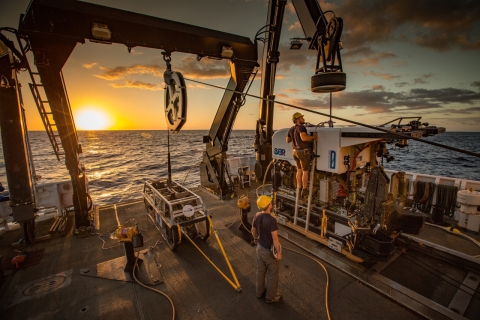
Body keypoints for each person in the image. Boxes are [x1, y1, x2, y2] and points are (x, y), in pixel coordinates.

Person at [251, 195, 282, 304]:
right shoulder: (272, 220)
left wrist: (255, 239)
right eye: (271, 203)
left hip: (259, 248)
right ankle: (270, 297)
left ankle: (259, 292)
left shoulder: (257, 215)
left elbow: (253, 230)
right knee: (273, 273)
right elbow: (275, 239)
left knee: (260, 271)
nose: (272, 204)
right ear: (268, 205)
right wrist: (278, 253)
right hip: (269, 251)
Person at [286, 112, 317, 197]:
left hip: (295, 151)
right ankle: (304, 189)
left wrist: (294, 138)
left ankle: (299, 187)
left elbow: (287, 140)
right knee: (305, 171)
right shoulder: (302, 127)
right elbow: (304, 138)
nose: (303, 119)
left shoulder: (291, 129)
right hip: (303, 151)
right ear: (298, 120)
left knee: (299, 170)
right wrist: (314, 137)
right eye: (301, 118)